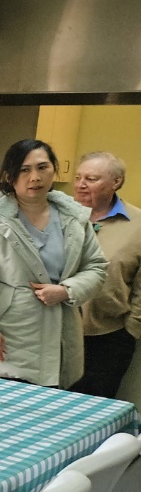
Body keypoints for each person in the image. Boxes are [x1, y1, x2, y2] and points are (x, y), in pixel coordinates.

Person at [0, 139, 107, 387]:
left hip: (59, 335)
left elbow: (96, 267)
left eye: (42, 167)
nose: (35, 177)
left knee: (48, 404)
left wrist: (67, 290)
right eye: (24, 170)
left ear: (54, 170)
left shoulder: (74, 217)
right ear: (9, 176)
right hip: (6, 336)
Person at [70, 151, 141, 398]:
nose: (81, 184)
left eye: (91, 179)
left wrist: (131, 330)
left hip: (108, 337)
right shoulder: (59, 217)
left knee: (94, 409)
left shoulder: (137, 225)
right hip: (54, 334)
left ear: (116, 182)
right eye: (78, 177)